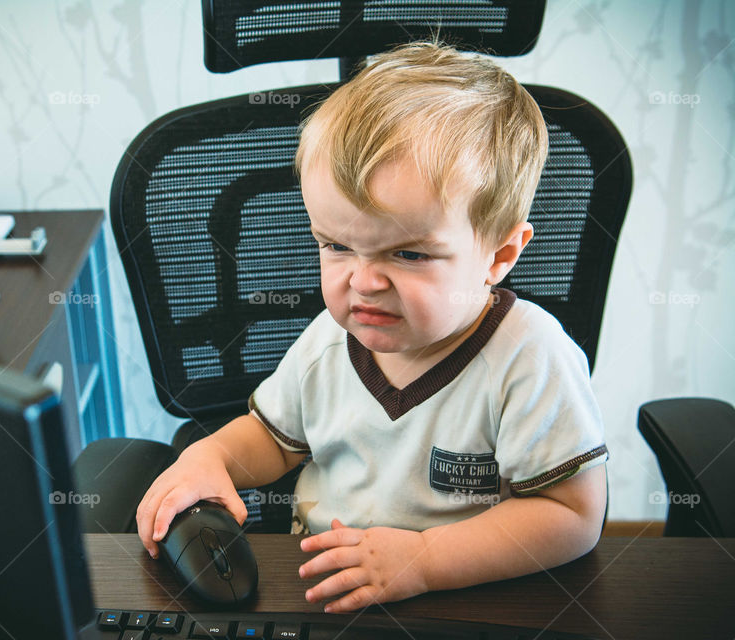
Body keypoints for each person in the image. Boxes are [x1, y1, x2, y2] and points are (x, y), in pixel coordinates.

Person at [136, 41, 608, 613]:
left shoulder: (529, 358)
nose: (363, 282)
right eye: (335, 245)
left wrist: (425, 560)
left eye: (408, 255)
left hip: (468, 596)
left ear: (499, 255)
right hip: (322, 585)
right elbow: (271, 439)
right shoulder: (330, 340)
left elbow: (572, 515)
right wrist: (208, 459)